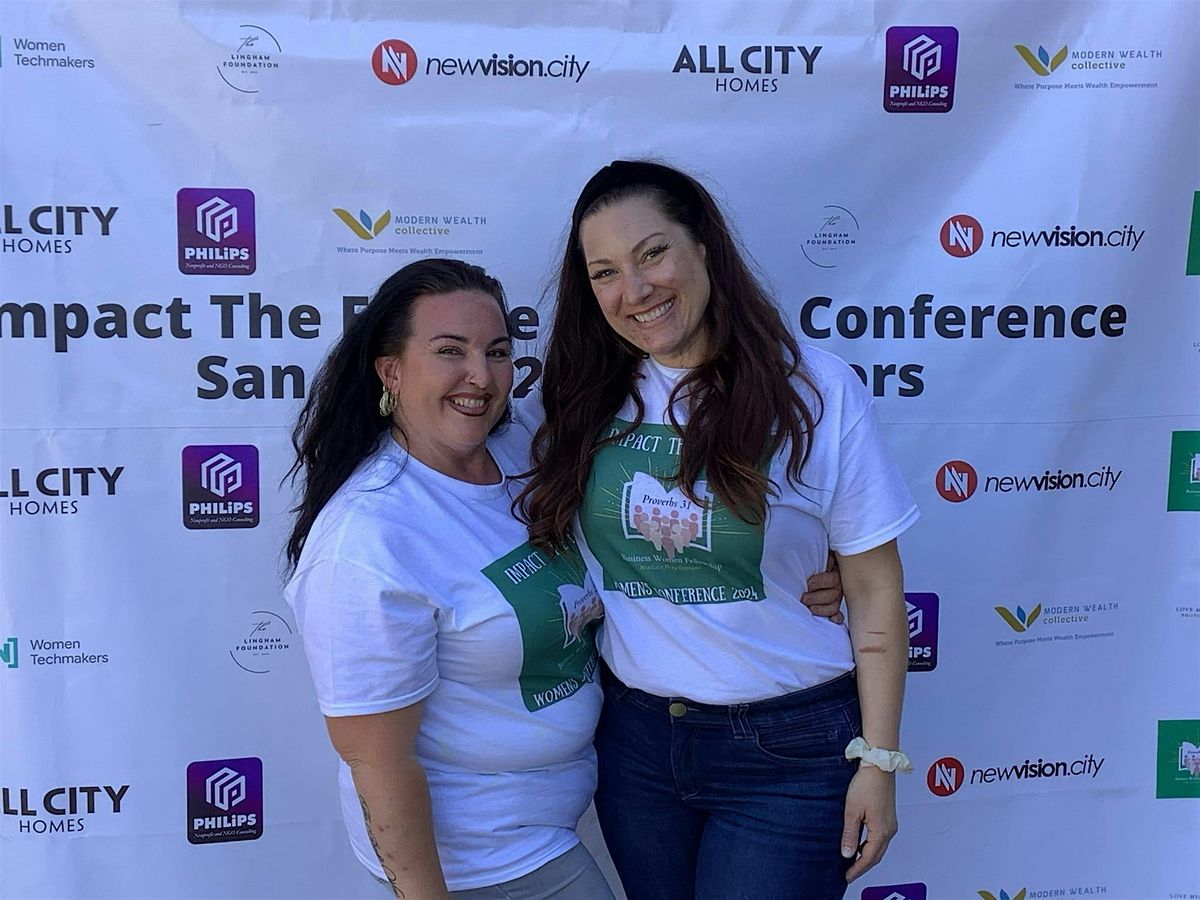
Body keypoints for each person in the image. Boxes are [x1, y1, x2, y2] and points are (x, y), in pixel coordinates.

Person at [517, 161, 919, 899]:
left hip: (790, 749)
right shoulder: (581, 397)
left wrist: (880, 760)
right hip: (637, 745)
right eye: (605, 273)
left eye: (652, 254)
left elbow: (874, 588)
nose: (635, 290)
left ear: (703, 246)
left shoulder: (816, 391)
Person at [282, 259, 615, 899]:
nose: (481, 376)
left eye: (497, 352)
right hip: (483, 861)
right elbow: (377, 761)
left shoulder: (519, 451)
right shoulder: (369, 538)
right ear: (391, 371)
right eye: (449, 351)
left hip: (559, 817)